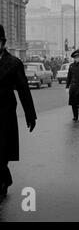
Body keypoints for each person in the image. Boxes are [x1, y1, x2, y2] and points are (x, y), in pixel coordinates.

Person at [0, 24, 37, 197]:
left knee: (3, 151)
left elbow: (23, 90)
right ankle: (5, 178)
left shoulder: (14, 63)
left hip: (5, 112)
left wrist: (31, 115)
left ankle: (2, 181)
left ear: (3, 43)